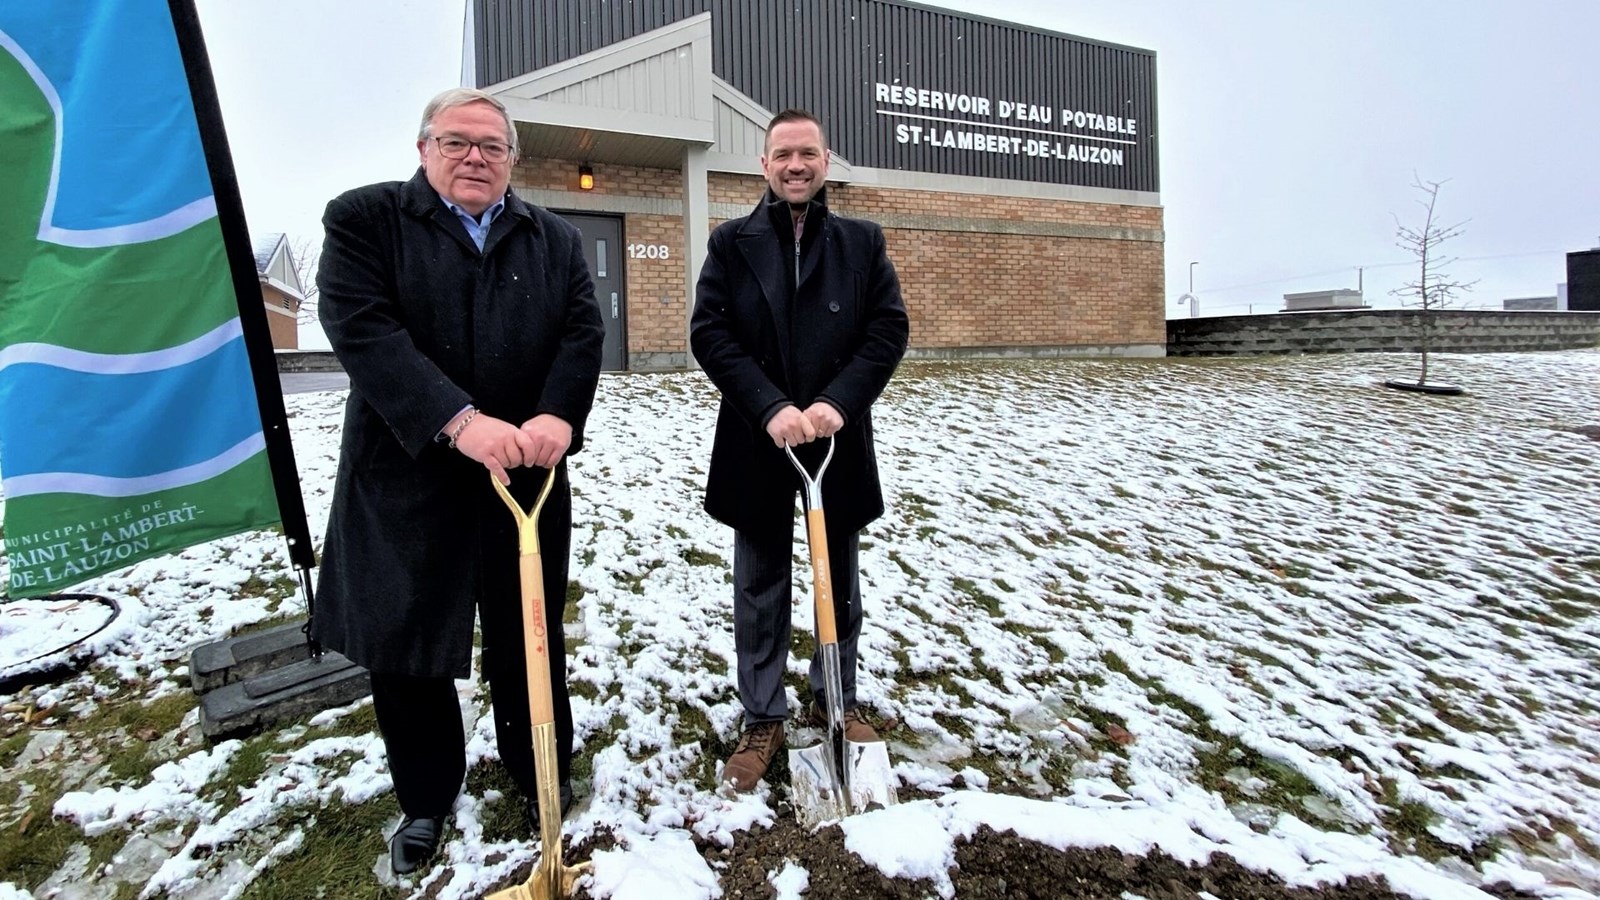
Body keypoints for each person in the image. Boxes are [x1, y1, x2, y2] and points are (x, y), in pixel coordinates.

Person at [311, 87, 604, 876]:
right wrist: (458, 421)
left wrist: (557, 417)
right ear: (424, 150)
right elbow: (363, 331)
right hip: (408, 472)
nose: (475, 157)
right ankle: (426, 797)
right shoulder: (365, 220)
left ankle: (537, 762)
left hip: (526, 474)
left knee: (529, 632)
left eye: (492, 146)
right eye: (457, 142)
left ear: (513, 158)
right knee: (408, 645)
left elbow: (582, 330)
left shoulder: (555, 237)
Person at [689, 109, 910, 792]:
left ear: (826, 158)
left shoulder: (861, 243)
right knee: (758, 583)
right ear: (763, 164)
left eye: (807, 153)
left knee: (836, 581)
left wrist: (835, 405)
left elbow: (886, 331)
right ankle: (763, 714)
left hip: (833, 440)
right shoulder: (731, 244)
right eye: (782, 154)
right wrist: (770, 406)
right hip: (759, 439)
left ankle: (834, 700)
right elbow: (711, 333)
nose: (795, 165)